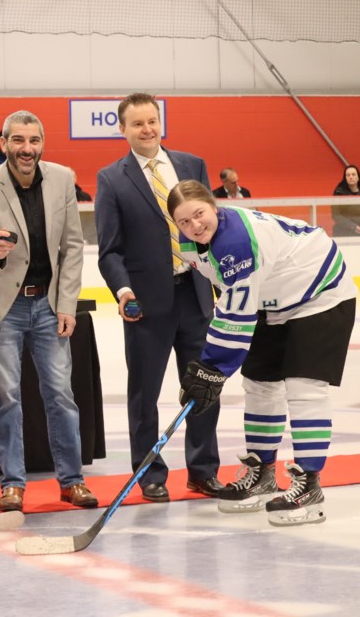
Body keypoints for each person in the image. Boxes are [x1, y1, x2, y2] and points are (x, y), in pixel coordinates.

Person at [169, 180, 357, 526]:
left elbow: (237, 314)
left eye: (199, 214)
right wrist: (212, 367)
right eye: (184, 221)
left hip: (320, 293)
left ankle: (309, 485)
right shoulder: (191, 243)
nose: (195, 226)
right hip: (270, 300)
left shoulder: (235, 240)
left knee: (304, 388)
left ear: (214, 207)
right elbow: (228, 294)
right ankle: (262, 473)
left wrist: (212, 367)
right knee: (259, 383)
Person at [94, 92, 222, 503]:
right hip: (146, 307)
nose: (147, 129)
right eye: (137, 123)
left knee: (204, 389)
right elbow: (110, 250)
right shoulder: (112, 178)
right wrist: (124, 290)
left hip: (196, 297)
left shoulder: (192, 165)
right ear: (123, 129)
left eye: (152, 121)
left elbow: (211, 229)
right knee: (144, 394)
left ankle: (203, 470)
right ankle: (150, 473)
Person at [0, 111, 96, 512]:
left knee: (60, 394)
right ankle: (12, 485)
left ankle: (72, 481)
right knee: (5, 396)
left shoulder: (61, 180)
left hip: (48, 305)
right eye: (18, 140)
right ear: (3, 142)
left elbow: (72, 247)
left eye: (34, 140)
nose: (27, 149)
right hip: (2, 309)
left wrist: (67, 304)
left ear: (42, 142)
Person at [331, 164, 360, 236]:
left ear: (358, 177)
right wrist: (353, 227)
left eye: (353, 174)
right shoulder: (339, 192)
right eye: (348, 175)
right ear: (345, 178)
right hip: (344, 231)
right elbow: (336, 215)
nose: (351, 177)